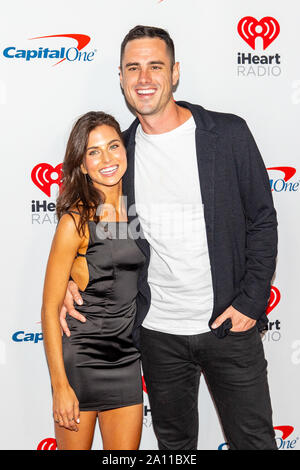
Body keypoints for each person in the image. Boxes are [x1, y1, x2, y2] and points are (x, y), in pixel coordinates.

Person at [60, 26, 278, 450]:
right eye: (133, 68)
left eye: (155, 66)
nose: (144, 78)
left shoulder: (228, 134)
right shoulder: (116, 155)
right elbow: (93, 231)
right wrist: (74, 276)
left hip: (229, 327)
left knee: (255, 442)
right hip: (157, 334)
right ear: (121, 78)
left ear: (174, 73)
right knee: (174, 449)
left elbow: (262, 220)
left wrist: (251, 302)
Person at [41, 111, 145, 450]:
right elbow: (50, 308)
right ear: (82, 165)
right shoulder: (75, 222)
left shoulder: (140, 210)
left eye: (114, 146)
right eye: (94, 152)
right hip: (81, 362)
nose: (107, 159)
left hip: (127, 359)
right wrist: (60, 386)